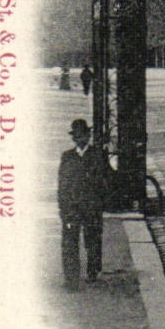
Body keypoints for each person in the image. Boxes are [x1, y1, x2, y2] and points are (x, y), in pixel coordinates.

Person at [58, 119, 108, 288]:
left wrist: (100, 202)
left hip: (91, 206)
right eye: (77, 136)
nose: (80, 139)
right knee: (69, 241)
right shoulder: (67, 157)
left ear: (88, 136)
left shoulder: (97, 155)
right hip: (72, 207)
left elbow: (104, 181)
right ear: (73, 138)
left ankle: (93, 272)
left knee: (93, 239)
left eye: (83, 136)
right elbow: (62, 185)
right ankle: (71, 277)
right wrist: (63, 208)